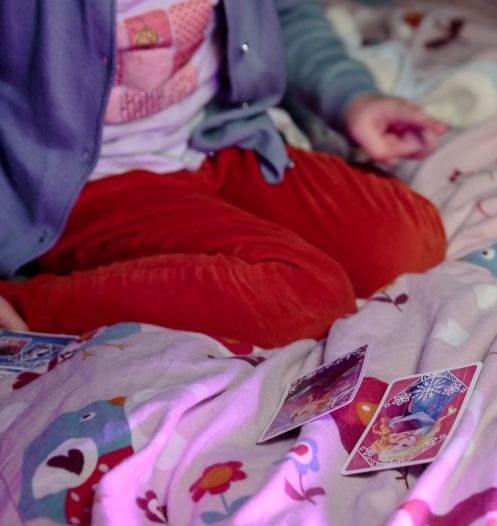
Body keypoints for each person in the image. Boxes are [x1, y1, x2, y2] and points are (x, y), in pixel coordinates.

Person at [0, 0, 448, 348]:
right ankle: (28, 303)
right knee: (306, 295)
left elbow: (283, 16)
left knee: (406, 237)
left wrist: (351, 98)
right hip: (86, 186)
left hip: (219, 137)